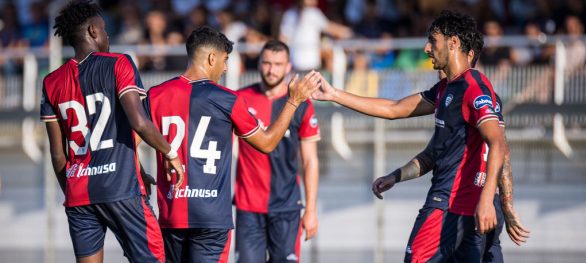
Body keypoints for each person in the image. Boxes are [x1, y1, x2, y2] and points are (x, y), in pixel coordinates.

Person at [312, 10, 508, 262]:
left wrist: (487, 200)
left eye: (432, 40)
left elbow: (498, 144)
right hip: (456, 206)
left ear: (454, 43)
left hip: (449, 204)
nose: (427, 48)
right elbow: (394, 109)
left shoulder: (474, 88)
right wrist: (335, 95)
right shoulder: (445, 89)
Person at [143, 27, 321, 263]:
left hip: (171, 214)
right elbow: (267, 143)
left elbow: (129, 142)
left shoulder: (155, 94)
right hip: (213, 218)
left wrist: (141, 174)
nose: (226, 68)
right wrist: (293, 101)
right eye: (225, 60)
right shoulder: (230, 99)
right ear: (211, 58)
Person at [40, 1, 184, 262]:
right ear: (94, 31)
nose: (107, 35)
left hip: (79, 193)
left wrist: (74, 191)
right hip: (122, 190)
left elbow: (58, 156)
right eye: (104, 30)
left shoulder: (50, 82)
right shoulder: (119, 63)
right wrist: (170, 152)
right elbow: (138, 123)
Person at [234, 40, 321, 263]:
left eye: (277, 64)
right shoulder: (239, 99)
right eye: (266, 63)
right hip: (248, 205)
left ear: (288, 66)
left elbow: (310, 160)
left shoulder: (301, 104)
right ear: (259, 64)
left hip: (287, 206)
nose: (271, 70)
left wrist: (310, 210)